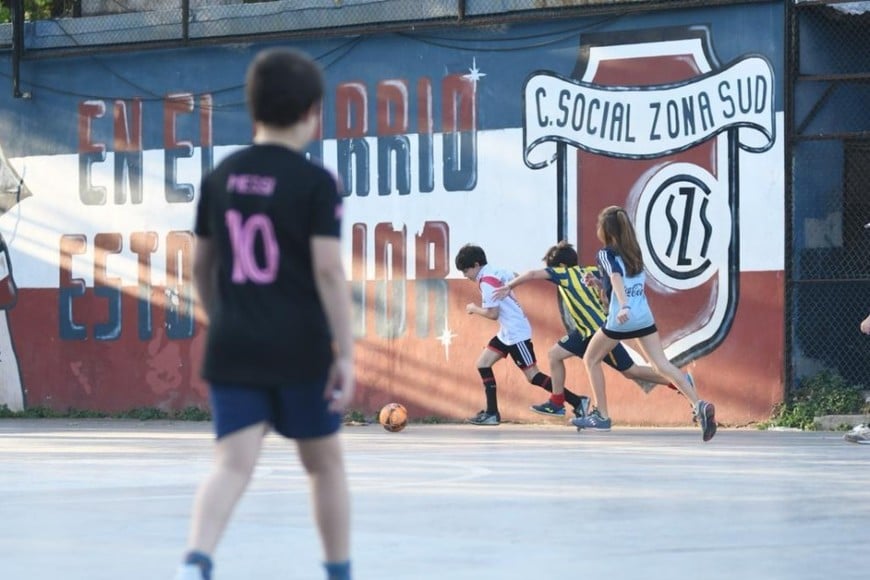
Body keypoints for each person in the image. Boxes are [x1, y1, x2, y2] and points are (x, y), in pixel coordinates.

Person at [174, 48, 354, 580]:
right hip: (300, 346)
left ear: (252, 109)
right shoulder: (316, 183)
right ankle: (338, 571)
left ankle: (196, 561)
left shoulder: (220, 177)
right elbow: (328, 271)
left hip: (234, 344)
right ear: (312, 112)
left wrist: (223, 318)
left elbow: (201, 266)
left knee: (232, 464)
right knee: (324, 466)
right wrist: (345, 353)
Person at [493, 241, 689, 423]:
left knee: (631, 371)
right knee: (554, 354)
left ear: (561, 265)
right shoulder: (591, 271)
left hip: (598, 331)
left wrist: (509, 286)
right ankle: (557, 402)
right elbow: (608, 292)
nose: (551, 272)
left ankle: (679, 381)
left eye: (553, 268)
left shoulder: (564, 274)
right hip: (584, 332)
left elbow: (532, 274)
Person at [573, 205, 717, 441]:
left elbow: (616, 277)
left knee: (591, 358)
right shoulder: (634, 253)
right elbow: (621, 281)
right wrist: (598, 283)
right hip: (643, 317)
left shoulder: (605, 254)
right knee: (661, 365)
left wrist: (624, 305)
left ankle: (601, 416)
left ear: (605, 230)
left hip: (622, 318)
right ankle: (698, 404)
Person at [455, 243, 583, 424]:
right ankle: (492, 413)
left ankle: (577, 401)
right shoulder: (496, 271)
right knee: (483, 364)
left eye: (466, 271)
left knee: (533, 376)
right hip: (506, 332)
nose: (465, 275)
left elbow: (493, 314)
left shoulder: (486, 282)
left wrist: (473, 308)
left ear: (476, 265)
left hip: (516, 334)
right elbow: (515, 275)